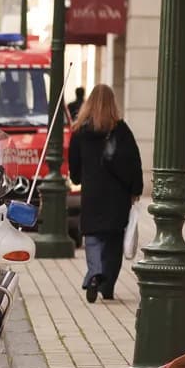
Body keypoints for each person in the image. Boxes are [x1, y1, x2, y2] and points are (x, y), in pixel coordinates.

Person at [68, 84, 143, 303]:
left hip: (92, 193)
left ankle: (94, 275)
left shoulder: (80, 131)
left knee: (92, 238)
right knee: (113, 240)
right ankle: (107, 285)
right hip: (117, 195)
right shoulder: (120, 130)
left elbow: (75, 166)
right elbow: (133, 161)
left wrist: (78, 178)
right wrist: (135, 189)